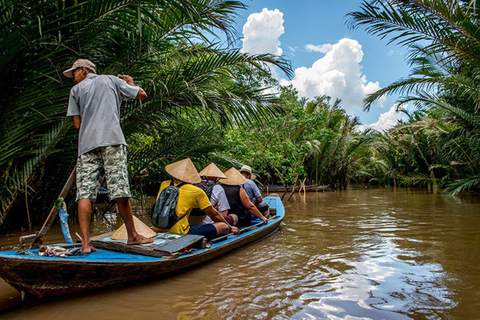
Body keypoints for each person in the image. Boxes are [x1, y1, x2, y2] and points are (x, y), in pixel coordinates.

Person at [64, 58, 153, 253]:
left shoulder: (75, 92)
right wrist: (129, 83)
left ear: (84, 71)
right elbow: (141, 94)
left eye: (74, 73)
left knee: (85, 193)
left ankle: (86, 243)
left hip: (87, 145)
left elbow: (77, 125)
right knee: (120, 188)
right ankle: (133, 236)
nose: (73, 78)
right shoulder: (111, 80)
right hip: (111, 139)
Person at [153, 158, 239, 239]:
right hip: (180, 232)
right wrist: (230, 227)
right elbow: (214, 215)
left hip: (157, 227)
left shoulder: (164, 184)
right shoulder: (196, 191)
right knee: (223, 226)